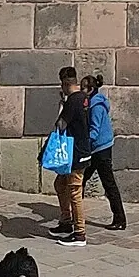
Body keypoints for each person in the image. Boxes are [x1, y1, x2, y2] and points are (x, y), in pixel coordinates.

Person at [79, 73, 126, 231]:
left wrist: (85, 143)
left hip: (100, 149)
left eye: (83, 87)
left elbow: (94, 129)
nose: (81, 89)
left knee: (108, 184)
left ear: (91, 89)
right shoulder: (91, 103)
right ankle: (75, 214)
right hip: (96, 148)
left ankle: (120, 219)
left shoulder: (96, 105)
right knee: (81, 180)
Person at [50, 64, 90, 245]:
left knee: (75, 191)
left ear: (65, 84)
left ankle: (80, 233)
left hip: (74, 152)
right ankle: (66, 220)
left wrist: (61, 106)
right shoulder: (83, 97)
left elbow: (61, 124)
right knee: (60, 184)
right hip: (81, 149)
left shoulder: (73, 100)